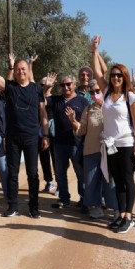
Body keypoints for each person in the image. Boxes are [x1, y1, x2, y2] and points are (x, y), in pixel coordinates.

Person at [0, 37, 49, 218]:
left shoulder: (36, 89)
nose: (20, 72)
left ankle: (34, 207)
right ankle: (13, 206)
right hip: (13, 138)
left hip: (32, 136)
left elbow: (43, 114)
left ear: (27, 70)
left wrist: (46, 135)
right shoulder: (9, 88)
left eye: (23, 69)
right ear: (15, 72)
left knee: (33, 174)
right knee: (12, 173)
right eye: (18, 69)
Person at [92, 34, 135, 234]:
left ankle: (129, 217)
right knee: (117, 180)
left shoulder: (130, 96)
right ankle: (121, 214)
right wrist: (94, 50)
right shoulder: (106, 93)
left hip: (126, 142)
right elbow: (97, 72)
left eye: (119, 75)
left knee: (127, 179)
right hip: (110, 143)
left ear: (124, 77)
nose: (115, 78)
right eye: (113, 75)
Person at [68, 79, 119, 220]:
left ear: (104, 91)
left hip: (109, 151)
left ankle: (115, 208)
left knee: (111, 181)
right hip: (91, 150)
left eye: (98, 91)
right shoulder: (88, 109)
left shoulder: (112, 107)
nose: (95, 94)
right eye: (92, 92)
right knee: (91, 181)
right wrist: (73, 121)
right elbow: (82, 130)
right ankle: (95, 207)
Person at [44, 73, 89, 210]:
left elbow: (86, 123)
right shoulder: (56, 100)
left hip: (76, 143)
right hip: (59, 144)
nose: (66, 87)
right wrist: (47, 87)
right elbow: (43, 100)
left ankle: (84, 198)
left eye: (68, 84)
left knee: (80, 172)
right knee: (60, 172)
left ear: (74, 85)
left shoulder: (82, 101)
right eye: (62, 85)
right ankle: (64, 198)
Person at [39, 76, 57, 194]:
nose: (44, 86)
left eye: (47, 84)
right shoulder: (38, 98)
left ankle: (60, 183)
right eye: (42, 84)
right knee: (44, 157)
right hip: (41, 129)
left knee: (56, 158)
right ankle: (49, 181)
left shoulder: (56, 99)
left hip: (54, 129)